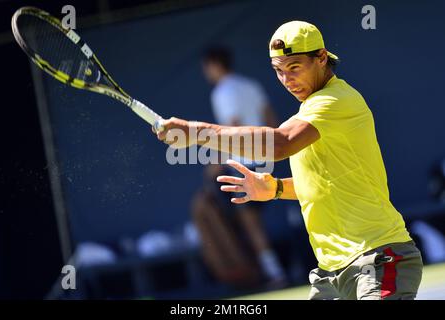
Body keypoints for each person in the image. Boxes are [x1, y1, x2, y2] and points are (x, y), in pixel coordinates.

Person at [154, 21, 423, 300]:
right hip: (331, 275)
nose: (287, 79)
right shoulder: (308, 111)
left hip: (378, 258)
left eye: (294, 67)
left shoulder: (336, 100)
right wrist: (275, 189)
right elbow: (325, 183)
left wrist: (198, 133)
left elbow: (281, 143)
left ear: (321, 58)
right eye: (279, 71)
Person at [191, 46, 287, 288]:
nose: (205, 73)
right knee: (258, 217)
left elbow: (231, 129)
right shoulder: (251, 85)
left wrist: (216, 163)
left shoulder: (223, 92)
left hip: (243, 164)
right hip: (265, 160)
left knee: (251, 222)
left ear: (214, 64)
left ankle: (274, 273)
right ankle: (272, 270)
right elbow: (271, 120)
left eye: (206, 67)